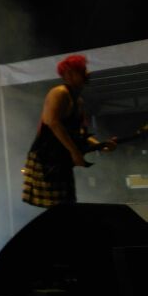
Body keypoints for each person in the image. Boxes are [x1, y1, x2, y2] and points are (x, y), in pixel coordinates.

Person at [22, 54, 115, 207]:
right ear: (69, 74)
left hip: (61, 158)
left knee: (67, 204)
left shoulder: (78, 101)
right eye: (83, 70)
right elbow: (53, 123)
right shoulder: (59, 93)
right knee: (59, 207)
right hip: (46, 159)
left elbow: (79, 134)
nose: (88, 73)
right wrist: (75, 152)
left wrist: (101, 145)